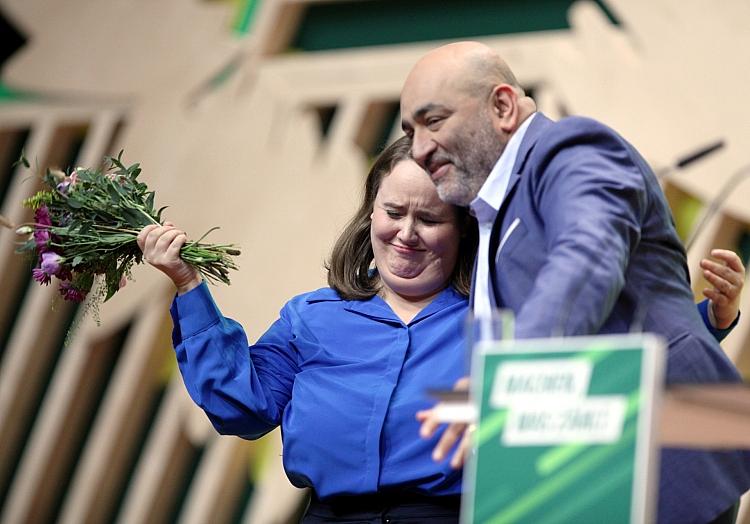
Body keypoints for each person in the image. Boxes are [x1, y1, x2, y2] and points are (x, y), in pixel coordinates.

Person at [400, 41, 750, 523]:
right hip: (586, 476)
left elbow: (587, 256)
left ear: (502, 106)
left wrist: (507, 383)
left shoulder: (571, 148)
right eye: (409, 131)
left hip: (665, 460)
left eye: (433, 121)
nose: (418, 149)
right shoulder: (490, 218)